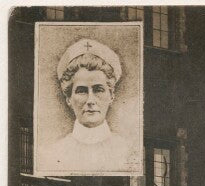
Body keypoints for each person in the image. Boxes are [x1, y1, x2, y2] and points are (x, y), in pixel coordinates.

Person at [38, 38, 137, 174]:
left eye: (98, 90)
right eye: (82, 91)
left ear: (111, 95)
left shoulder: (128, 151)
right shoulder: (53, 153)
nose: (90, 100)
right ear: (69, 99)